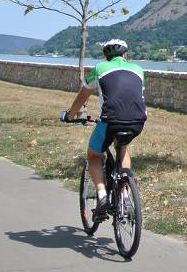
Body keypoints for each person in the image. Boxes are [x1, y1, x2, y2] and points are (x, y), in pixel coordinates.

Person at [62, 39, 146, 219]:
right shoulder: (139, 70)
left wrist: (70, 115)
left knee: (93, 155)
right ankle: (123, 192)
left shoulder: (99, 69)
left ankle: (101, 195)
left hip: (110, 121)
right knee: (122, 146)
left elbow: (82, 96)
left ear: (106, 56)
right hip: (137, 121)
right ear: (126, 54)